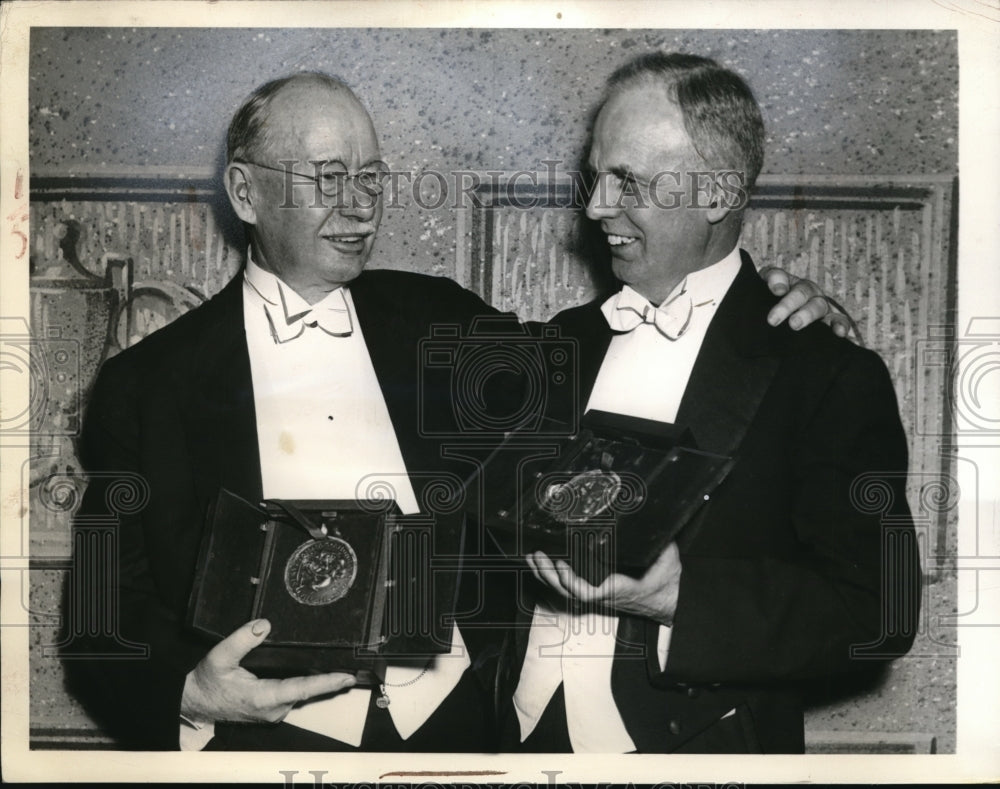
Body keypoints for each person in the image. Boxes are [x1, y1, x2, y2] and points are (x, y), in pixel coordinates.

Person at [62, 71, 841, 752]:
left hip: (466, 731)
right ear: (244, 192)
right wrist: (189, 694)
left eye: (372, 178)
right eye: (329, 178)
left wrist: (776, 309)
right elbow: (99, 618)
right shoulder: (146, 387)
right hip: (258, 744)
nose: (359, 207)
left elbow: (627, 352)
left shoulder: (440, 323)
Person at [499, 52, 920, 754]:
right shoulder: (557, 346)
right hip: (516, 737)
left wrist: (675, 599)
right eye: (595, 176)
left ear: (719, 194)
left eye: (626, 180)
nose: (596, 206)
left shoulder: (825, 372)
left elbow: (879, 609)